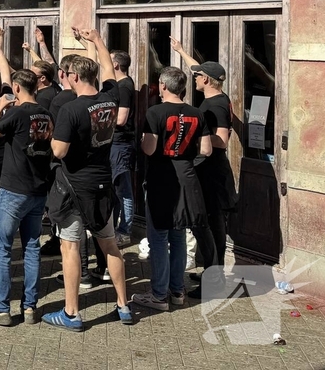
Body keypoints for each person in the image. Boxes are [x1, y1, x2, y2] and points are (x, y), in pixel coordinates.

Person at [43, 29, 133, 331]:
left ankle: (71, 313)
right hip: (102, 184)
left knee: (70, 249)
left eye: (67, 75)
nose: (65, 79)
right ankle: (123, 306)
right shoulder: (109, 98)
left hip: (74, 187)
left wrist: (51, 140)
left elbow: (59, 150)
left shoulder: (70, 109)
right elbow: (109, 69)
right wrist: (97, 41)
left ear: (76, 78)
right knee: (110, 246)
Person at [130, 66, 210, 311]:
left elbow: (150, 149)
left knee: (158, 237)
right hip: (186, 177)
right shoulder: (197, 113)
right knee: (178, 236)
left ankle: (158, 295)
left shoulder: (155, 112)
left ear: (163, 86)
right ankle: (177, 291)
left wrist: (143, 141)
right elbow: (206, 149)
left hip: (162, 178)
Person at [0, 69, 55, 326]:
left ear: (18, 88)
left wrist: (0, 108)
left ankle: (1, 309)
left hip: (13, 190)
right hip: (37, 191)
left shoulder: (17, 113)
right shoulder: (46, 113)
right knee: (32, 247)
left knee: (2, 249)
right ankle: (30, 307)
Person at [171, 39, 237, 297]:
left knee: (210, 224)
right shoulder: (218, 96)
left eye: (197, 76)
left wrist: (198, 139)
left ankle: (214, 280)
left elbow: (221, 140)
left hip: (211, 172)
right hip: (209, 170)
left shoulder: (215, 106)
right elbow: (198, 67)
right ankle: (212, 272)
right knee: (208, 223)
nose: (194, 78)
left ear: (207, 81)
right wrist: (181, 51)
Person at [109, 51, 137, 247]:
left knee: (124, 189)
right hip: (114, 143)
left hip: (121, 143)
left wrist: (99, 121)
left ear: (116, 65)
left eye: (109, 60)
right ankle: (114, 227)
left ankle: (125, 231)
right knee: (115, 188)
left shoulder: (125, 85)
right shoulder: (119, 85)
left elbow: (121, 118)